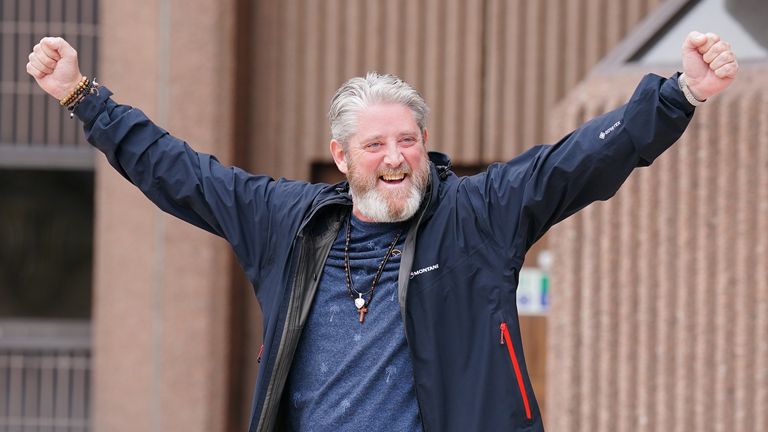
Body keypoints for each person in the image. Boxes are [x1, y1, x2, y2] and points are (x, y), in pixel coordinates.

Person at [26, 31, 738, 432]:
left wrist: (677, 95)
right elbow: (182, 173)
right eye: (375, 145)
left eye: (408, 140)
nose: (396, 158)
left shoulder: (478, 216)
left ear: (425, 142)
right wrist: (88, 99)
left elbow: (579, 159)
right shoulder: (289, 226)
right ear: (342, 157)